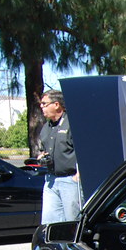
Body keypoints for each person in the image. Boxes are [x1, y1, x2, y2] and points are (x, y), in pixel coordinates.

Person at [38, 90, 82, 224]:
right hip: (51, 180)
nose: (41, 107)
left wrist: (77, 177)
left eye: (44, 103)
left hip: (70, 180)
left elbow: (83, 152)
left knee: (72, 222)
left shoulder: (72, 123)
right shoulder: (46, 127)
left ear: (56, 104)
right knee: (49, 223)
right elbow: (43, 150)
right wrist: (41, 157)